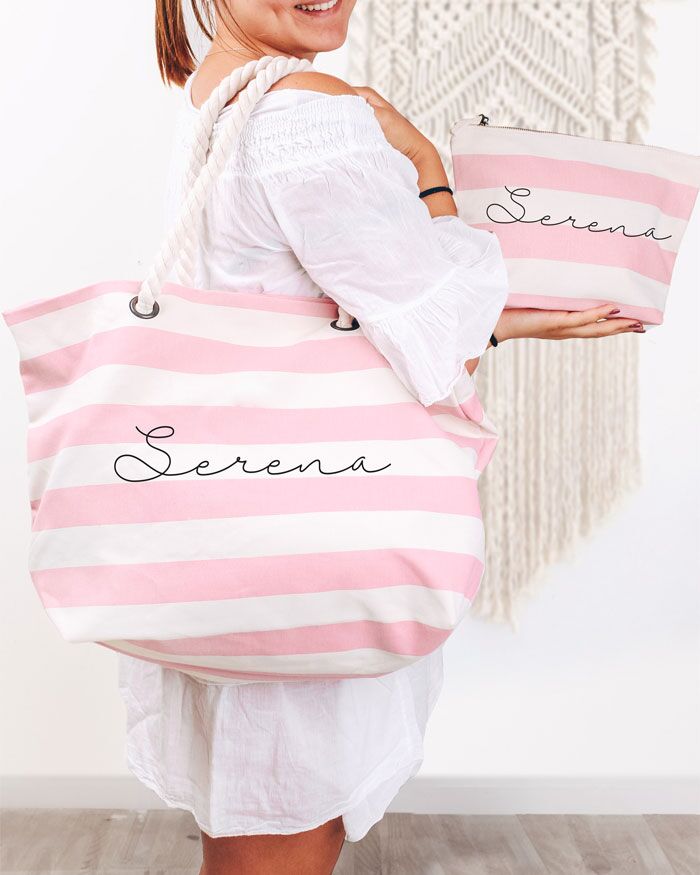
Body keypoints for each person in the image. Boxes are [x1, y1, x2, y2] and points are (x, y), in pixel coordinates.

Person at [118, 2, 647, 873]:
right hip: (312, 544)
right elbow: (436, 326)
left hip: (233, 529)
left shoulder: (221, 93)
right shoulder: (304, 111)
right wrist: (431, 171)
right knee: (288, 830)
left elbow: (340, 310)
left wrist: (489, 319)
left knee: (251, 825)